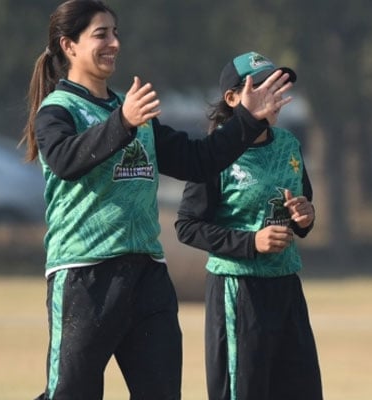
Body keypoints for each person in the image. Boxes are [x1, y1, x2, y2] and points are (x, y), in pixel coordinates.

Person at [20, 1, 292, 399]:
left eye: (115, 32)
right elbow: (64, 160)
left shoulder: (135, 113)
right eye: (101, 34)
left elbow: (199, 162)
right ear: (69, 45)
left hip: (147, 274)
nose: (114, 42)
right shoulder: (58, 110)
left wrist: (248, 121)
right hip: (85, 274)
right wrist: (122, 122)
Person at [175, 51, 323, 400]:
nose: (275, 94)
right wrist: (250, 242)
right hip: (238, 290)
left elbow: (303, 207)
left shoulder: (288, 144)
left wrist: (305, 216)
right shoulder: (214, 152)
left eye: (278, 85)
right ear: (232, 98)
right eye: (262, 86)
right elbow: (188, 225)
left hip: (286, 287)